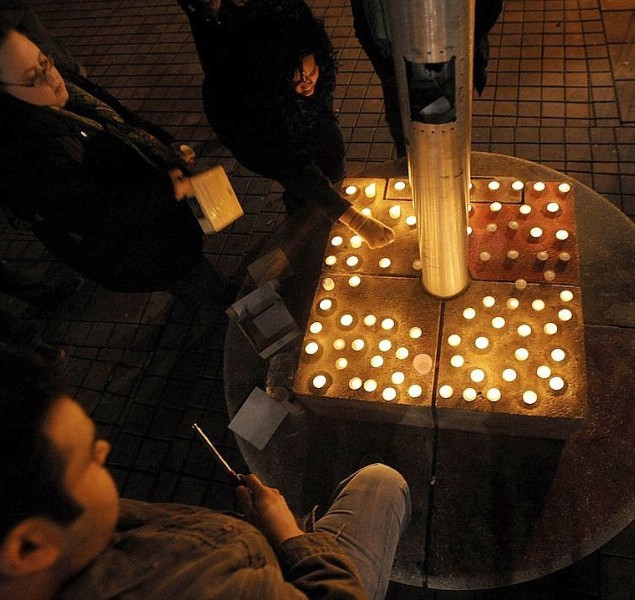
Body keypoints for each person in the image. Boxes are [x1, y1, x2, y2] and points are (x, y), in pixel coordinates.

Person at [0, 346, 411, 599]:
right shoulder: (193, 587)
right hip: (306, 573)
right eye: (88, 457)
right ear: (29, 547)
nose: (105, 448)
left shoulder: (68, 553)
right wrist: (287, 534)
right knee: (382, 482)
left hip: (264, 552)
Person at [0, 25, 224, 301]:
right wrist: (164, 191)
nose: (52, 77)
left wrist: (165, 144)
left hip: (160, 222)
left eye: (44, 60)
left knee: (191, 268)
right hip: (139, 249)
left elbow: (122, 120)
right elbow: (94, 214)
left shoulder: (66, 87)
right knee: (193, 279)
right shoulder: (27, 154)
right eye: (33, 77)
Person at [177, 0, 395, 259]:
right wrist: (357, 222)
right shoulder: (250, 95)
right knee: (302, 189)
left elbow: (318, 99)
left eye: (311, 72)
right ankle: (304, 231)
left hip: (285, 106)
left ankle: (330, 203)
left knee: (329, 150)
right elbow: (290, 164)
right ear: (275, 79)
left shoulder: (297, 33)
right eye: (295, 81)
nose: (306, 85)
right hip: (256, 130)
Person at [350, 0, 503, 158]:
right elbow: (363, 17)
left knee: (446, 136)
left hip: (447, 60)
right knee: (406, 130)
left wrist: (463, 41)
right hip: (394, 65)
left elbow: (489, 8)